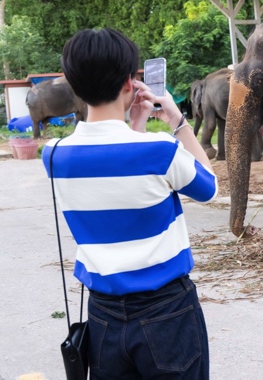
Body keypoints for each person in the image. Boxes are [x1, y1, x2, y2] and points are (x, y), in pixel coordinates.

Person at [42, 28, 217, 379]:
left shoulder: (54, 155)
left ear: (75, 87)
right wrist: (177, 121)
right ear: (129, 83)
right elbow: (208, 185)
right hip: (167, 312)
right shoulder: (160, 150)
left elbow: (116, 164)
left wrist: (132, 124)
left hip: (103, 317)